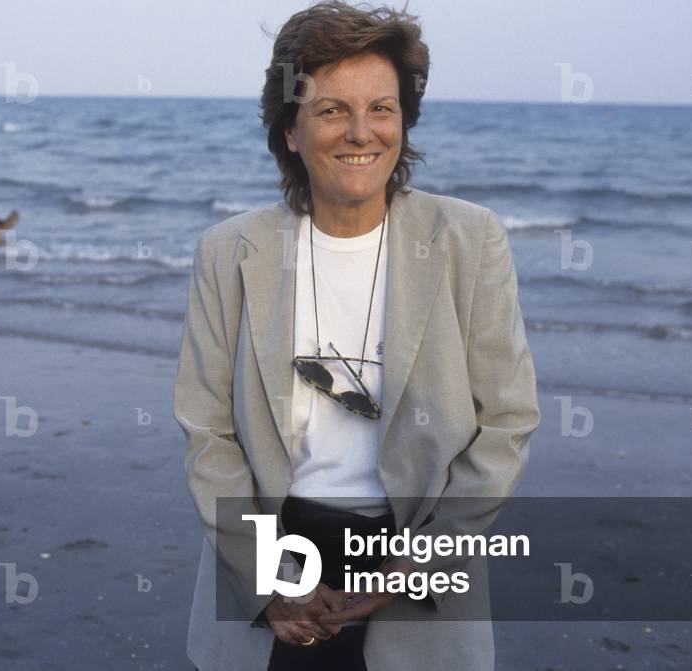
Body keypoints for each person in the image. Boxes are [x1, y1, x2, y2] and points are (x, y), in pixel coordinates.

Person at [172, 2, 541, 669]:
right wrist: (270, 578)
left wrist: (418, 561)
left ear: (404, 120)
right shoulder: (229, 251)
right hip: (271, 566)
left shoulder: (470, 240)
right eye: (332, 109)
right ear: (290, 128)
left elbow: (507, 421)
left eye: (382, 108)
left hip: (417, 564)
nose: (360, 132)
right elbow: (207, 431)